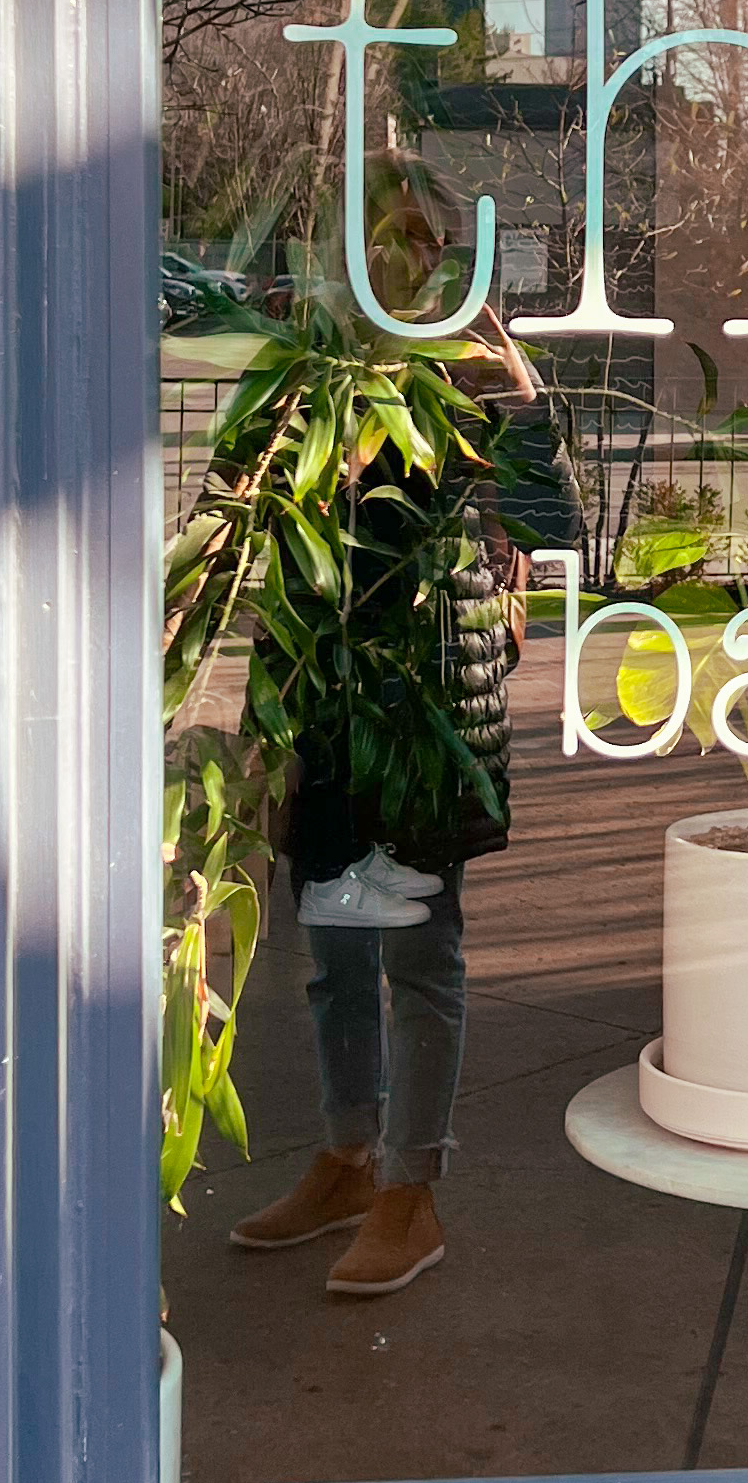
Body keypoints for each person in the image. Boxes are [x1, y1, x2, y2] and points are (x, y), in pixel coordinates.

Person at [231, 199, 582, 1299]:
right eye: (366, 243)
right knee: (332, 953)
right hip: (320, 697)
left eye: (411, 245)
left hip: (428, 708)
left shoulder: (468, 368)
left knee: (419, 953)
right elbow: (249, 514)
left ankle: (410, 1189)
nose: (387, 265)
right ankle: (347, 1159)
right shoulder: (312, 367)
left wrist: (514, 388)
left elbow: (552, 524)